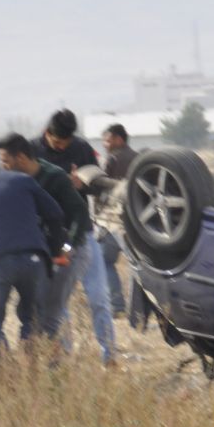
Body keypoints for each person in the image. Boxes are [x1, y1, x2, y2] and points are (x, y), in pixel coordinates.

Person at [0, 133, 115, 364]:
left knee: (61, 306)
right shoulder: (15, 181)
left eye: (5, 160)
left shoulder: (54, 177)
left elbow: (80, 216)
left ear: (20, 157)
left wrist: (67, 246)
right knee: (38, 307)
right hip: (46, 252)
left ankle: (66, 364)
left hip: (73, 250)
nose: (3, 166)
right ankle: (54, 359)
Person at [0, 149, 66, 346]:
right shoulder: (21, 180)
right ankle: (32, 367)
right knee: (33, 320)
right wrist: (55, 250)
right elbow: (55, 213)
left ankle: (6, 372)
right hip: (35, 257)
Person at [97, 123, 136, 316]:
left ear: (119, 139)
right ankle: (139, 310)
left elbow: (101, 189)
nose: (105, 144)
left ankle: (117, 306)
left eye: (107, 139)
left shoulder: (111, 160)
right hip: (136, 222)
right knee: (136, 266)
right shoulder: (138, 158)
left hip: (113, 221)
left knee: (104, 260)